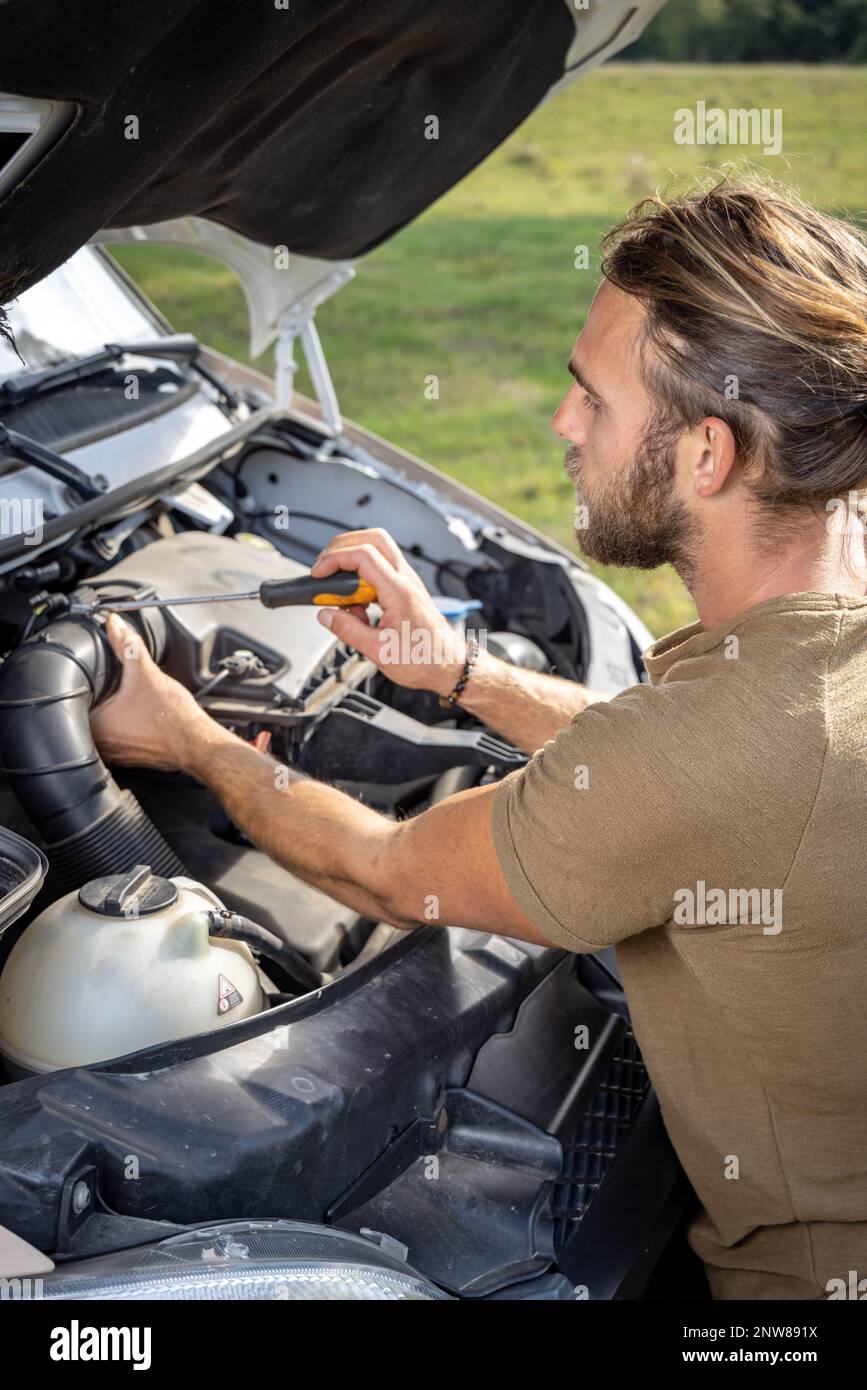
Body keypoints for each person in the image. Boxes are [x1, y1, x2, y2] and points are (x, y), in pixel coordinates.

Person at [92, 179, 867, 1301]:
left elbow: (393, 872)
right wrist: (454, 672)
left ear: (709, 456)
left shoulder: (729, 742)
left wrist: (190, 739)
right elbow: (680, 764)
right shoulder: (811, 649)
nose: (563, 426)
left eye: (592, 402)